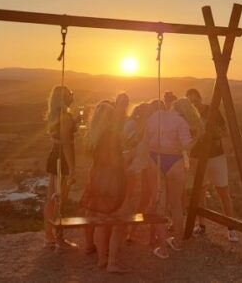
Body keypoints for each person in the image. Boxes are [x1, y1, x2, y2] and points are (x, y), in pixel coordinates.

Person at [80, 101, 129, 273]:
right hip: (111, 177)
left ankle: (102, 258)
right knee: (117, 220)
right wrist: (126, 158)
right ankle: (112, 262)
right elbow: (115, 162)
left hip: (96, 175)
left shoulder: (91, 135)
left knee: (101, 220)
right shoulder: (111, 136)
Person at [185, 88, 239, 243]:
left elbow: (224, 131)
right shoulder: (188, 116)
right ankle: (201, 225)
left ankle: (232, 228)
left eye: (195, 100)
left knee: (223, 191)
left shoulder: (213, 111)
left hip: (216, 156)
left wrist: (209, 131)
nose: (193, 103)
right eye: (190, 101)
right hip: (196, 158)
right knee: (199, 192)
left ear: (200, 99)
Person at [145, 98, 194, 259]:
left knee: (160, 205)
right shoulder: (182, 122)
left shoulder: (155, 116)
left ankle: (163, 248)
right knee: (176, 205)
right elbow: (186, 145)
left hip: (155, 159)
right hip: (175, 161)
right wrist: (198, 138)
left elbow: (146, 138)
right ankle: (178, 243)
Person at [43, 85, 78, 249]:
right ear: (65, 98)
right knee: (60, 200)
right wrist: (72, 168)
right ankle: (58, 238)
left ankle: (49, 235)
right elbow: (67, 145)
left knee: (52, 198)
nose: (73, 96)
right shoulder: (66, 117)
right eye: (71, 93)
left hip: (54, 155)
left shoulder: (54, 115)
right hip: (61, 159)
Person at [121, 103, 154, 242]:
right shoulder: (134, 125)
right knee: (136, 198)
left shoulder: (145, 125)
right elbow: (130, 143)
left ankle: (133, 231)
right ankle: (128, 230)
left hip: (144, 166)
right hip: (137, 167)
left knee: (147, 199)